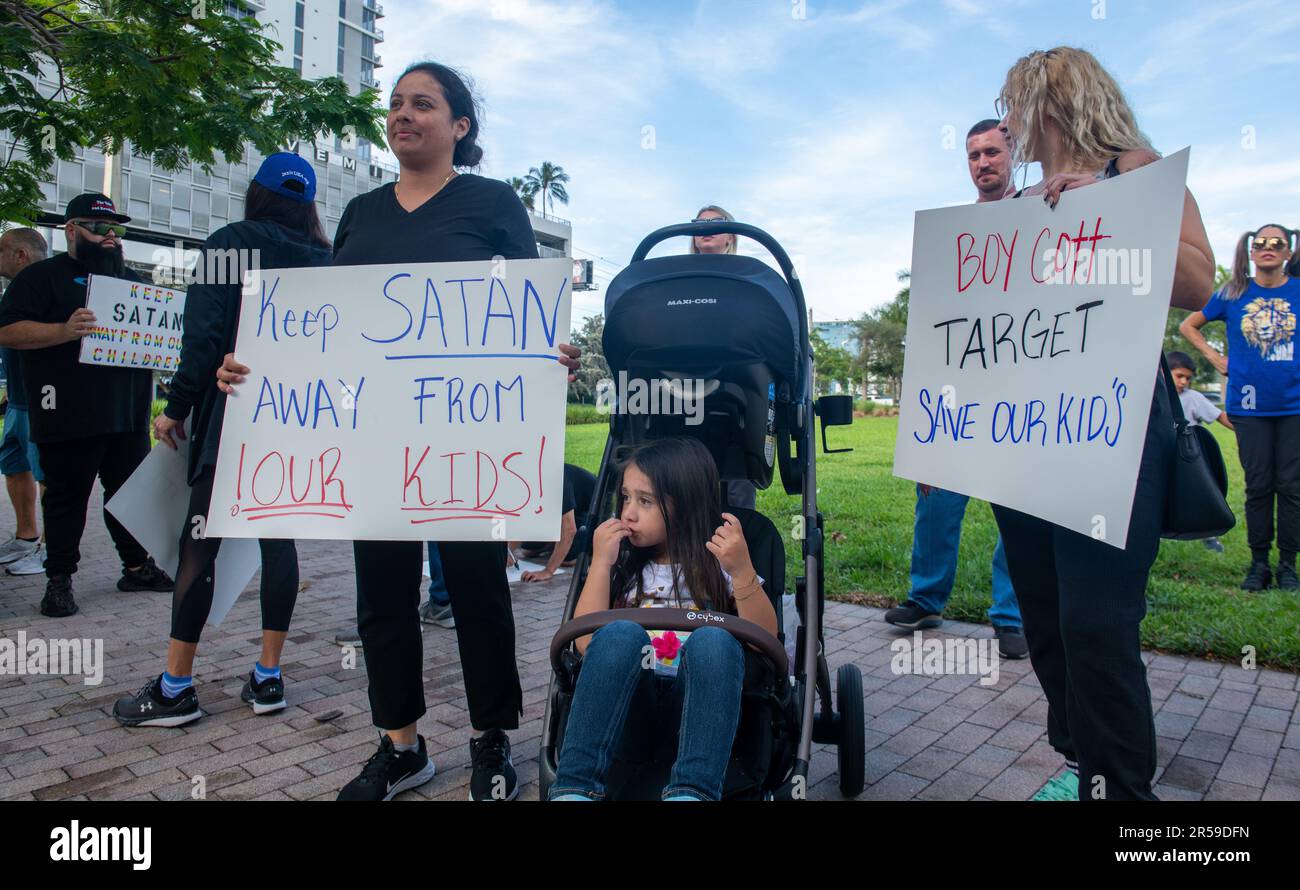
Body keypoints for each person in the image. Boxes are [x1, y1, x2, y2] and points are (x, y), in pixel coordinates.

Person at [217, 62, 581, 801]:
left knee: (479, 591)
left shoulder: (493, 202)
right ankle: (401, 745)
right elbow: (322, 326)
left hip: (467, 442)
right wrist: (253, 367)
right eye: (395, 104)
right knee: (381, 597)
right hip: (374, 444)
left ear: (460, 126)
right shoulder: (361, 212)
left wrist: (551, 357)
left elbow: (525, 313)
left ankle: (490, 742)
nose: (403, 114)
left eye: (423, 103)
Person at [992, 47, 1215, 801]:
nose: (1010, 125)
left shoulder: (1136, 170)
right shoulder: (1025, 197)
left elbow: (1196, 282)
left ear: (1056, 100)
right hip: (1031, 429)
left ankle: (1126, 792)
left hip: (1112, 424)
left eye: (1017, 104)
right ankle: (1082, 764)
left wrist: (1108, 212)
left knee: (1096, 621)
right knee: (1047, 616)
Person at [112, 154, 331, 727]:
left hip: (234, 412)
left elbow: (205, 338)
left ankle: (177, 687)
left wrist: (176, 406)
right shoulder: (327, 258)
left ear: (255, 194)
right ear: (308, 204)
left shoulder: (229, 243)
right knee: (278, 542)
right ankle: (268, 677)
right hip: (301, 421)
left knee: (200, 543)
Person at [549, 437, 778, 801]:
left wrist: (744, 570)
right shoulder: (622, 564)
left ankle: (692, 791)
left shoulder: (719, 564)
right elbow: (584, 642)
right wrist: (602, 564)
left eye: (644, 501)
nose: (628, 513)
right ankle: (574, 788)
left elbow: (764, 637)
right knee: (619, 634)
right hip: (628, 709)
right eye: (625, 497)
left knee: (716, 639)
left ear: (685, 505)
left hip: (697, 708)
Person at [886, 120, 1026, 661]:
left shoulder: (1040, 215)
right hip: (958, 392)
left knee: (1014, 507)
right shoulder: (956, 235)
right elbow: (934, 322)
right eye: (973, 155)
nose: (983, 162)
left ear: (1013, 154)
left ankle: (1011, 617)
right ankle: (926, 600)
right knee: (936, 499)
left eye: (992, 151)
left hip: (1019, 390)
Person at [0, 194, 175, 617]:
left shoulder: (136, 281)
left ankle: (136, 566)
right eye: (98, 228)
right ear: (71, 231)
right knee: (65, 498)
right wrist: (62, 331)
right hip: (66, 411)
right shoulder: (41, 278)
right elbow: (6, 330)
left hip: (127, 413)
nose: (110, 235)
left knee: (127, 496)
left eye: (117, 229)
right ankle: (59, 580)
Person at [1179, 225, 1299, 590]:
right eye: (1259, 243)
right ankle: (1259, 564)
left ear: (1288, 251)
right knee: (1259, 486)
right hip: (1250, 407)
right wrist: (1214, 356)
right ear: (1250, 250)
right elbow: (1189, 325)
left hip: (1294, 406)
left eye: (1277, 243)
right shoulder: (1233, 293)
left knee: (1292, 487)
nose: (1268, 248)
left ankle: (1288, 567)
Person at [687, 204, 758, 513]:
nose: (707, 227)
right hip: (683, 377)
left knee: (737, 470)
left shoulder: (748, 277)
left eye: (716, 222)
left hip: (735, 380)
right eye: (700, 223)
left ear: (731, 236)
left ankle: (739, 529)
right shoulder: (676, 278)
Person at [0, 227, 50, 575]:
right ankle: (26, 535)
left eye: (1, 250)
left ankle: (51, 546)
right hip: (17, 397)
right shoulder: (14, 289)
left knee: (48, 472)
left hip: (41, 399)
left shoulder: (47, 287)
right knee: (14, 463)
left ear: (21, 255)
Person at [1165, 350, 1234, 553]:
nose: (1184, 381)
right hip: (1161, 456)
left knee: (1199, 495)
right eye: (1179, 376)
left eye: (1188, 378)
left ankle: (1209, 535)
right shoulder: (1154, 396)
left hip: (1188, 459)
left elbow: (1220, 416)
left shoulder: (1194, 397)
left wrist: (1247, 432)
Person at [517, 463, 597, 581]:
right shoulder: (523, 479)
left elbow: (569, 529)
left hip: (590, 506)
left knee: (567, 559)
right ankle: (554, 542)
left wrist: (548, 571)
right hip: (567, 506)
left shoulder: (558, 479)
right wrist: (509, 553)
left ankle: (576, 548)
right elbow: (520, 517)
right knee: (527, 550)